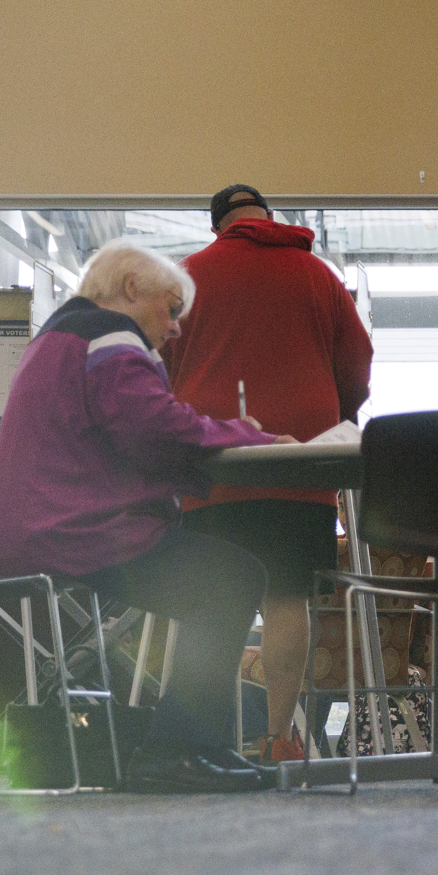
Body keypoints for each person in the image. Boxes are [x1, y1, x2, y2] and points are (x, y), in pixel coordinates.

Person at [0, 239, 278, 794]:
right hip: (65, 533)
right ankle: (179, 751)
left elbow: (126, 433)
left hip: (31, 531)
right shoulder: (109, 334)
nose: (177, 328)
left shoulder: (60, 337)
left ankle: (194, 747)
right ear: (132, 289)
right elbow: (151, 427)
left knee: (216, 575)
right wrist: (245, 435)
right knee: (230, 578)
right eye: (172, 308)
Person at [162, 184, 373, 765]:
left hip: (214, 464)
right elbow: (357, 362)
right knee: (286, 598)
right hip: (301, 465)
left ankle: (202, 739)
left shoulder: (187, 277)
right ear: (269, 218)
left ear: (217, 227)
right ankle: (279, 738)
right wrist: (338, 414)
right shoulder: (318, 275)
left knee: (210, 597)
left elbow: (161, 359)